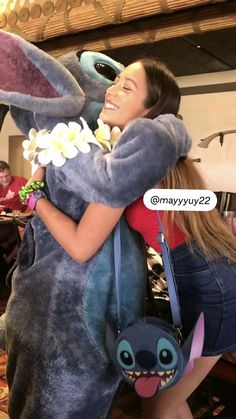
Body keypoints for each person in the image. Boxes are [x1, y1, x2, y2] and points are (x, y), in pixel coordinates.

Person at [4, 58, 192, 418]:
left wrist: (35, 199)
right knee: (159, 402)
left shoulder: (132, 158)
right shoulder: (135, 148)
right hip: (188, 284)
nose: (111, 89)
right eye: (115, 80)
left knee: (159, 403)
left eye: (127, 87)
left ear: (152, 107)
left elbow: (81, 245)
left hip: (203, 291)